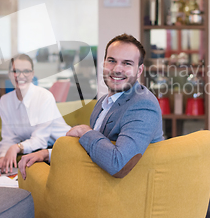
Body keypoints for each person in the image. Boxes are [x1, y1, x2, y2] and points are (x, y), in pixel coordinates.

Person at [19, 33, 164, 179]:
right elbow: (95, 150)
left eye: (127, 63)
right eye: (111, 61)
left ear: (139, 70)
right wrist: (48, 154)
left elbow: (118, 164)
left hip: (127, 195)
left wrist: (85, 131)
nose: (117, 69)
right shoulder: (103, 103)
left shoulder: (143, 105)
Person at [0, 54, 71, 173]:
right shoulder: (5, 101)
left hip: (60, 148)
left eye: (26, 71)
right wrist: (3, 157)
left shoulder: (44, 97)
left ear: (32, 74)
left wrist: (17, 147)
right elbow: (8, 138)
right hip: (35, 149)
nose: (21, 76)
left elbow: (40, 140)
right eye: (16, 71)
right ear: (9, 74)